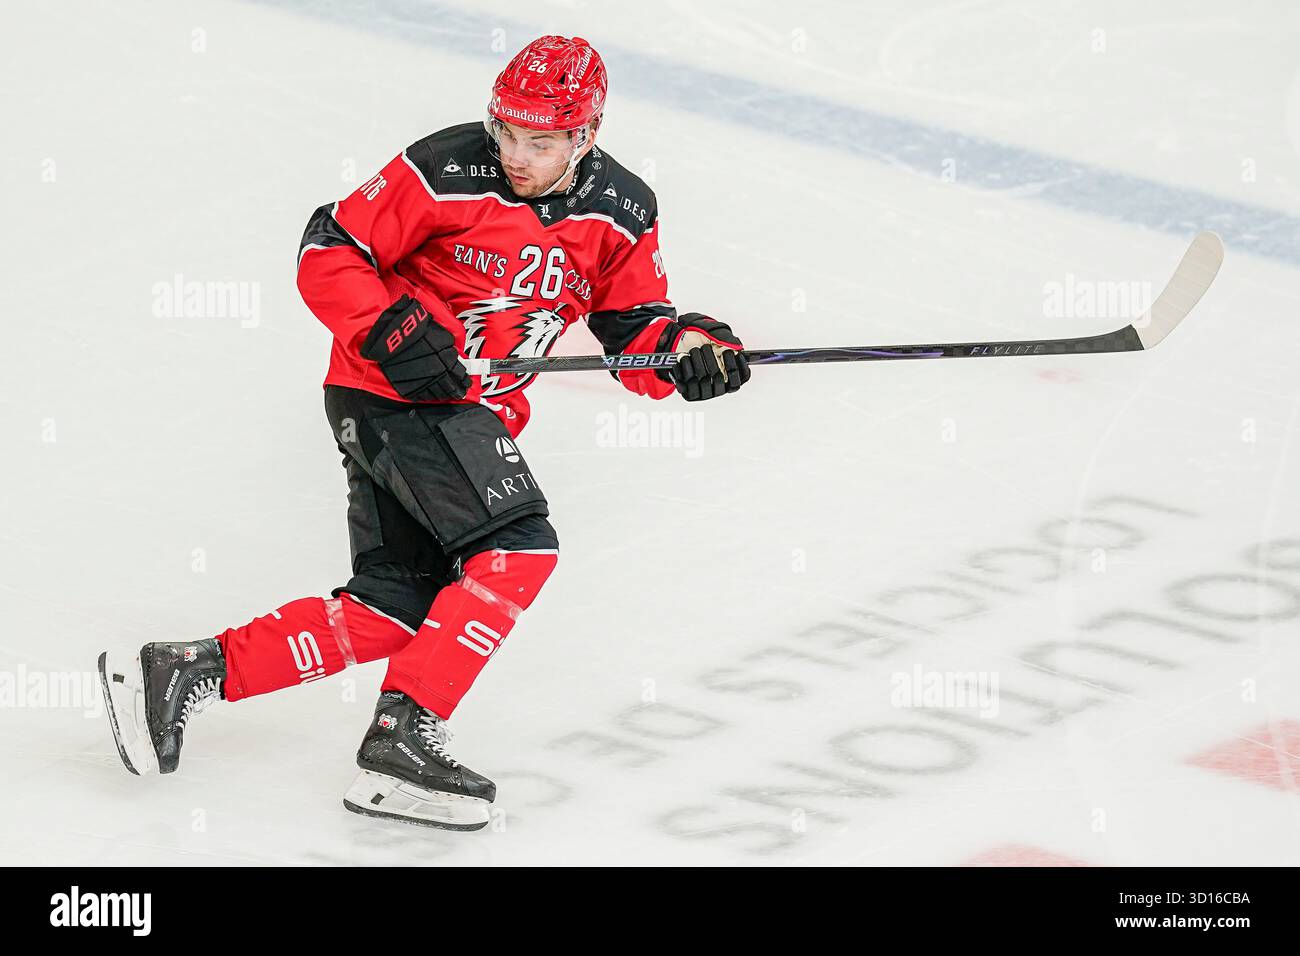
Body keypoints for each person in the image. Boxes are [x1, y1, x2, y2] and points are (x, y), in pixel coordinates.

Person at [98, 34, 751, 831]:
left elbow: (634, 331)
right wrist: (390, 327)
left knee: (396, 606)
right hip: (390, 394)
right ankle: (402, 737)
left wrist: (686, 351)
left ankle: (181, 671)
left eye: (539, 141)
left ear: (586, 135)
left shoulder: (621, 211)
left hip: (462, 415)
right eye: (505, 131)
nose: (515, 153)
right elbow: (328, 246)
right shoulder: (444, 168)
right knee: (518, 548)